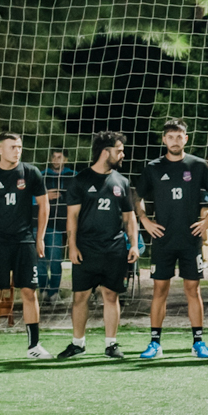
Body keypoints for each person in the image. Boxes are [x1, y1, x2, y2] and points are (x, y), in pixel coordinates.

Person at [134, 119, 208, 360]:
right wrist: (145, 220)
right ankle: (155, 343)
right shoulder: (153, 167)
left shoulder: (198, 165)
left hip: (191, 238)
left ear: (186, 139)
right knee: (160, 289)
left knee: (193, 289)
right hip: (163, 239)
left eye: (179, 136)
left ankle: (198, 342)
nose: (174, 141)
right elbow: (136, 196)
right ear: (164, 139)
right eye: (170, 137)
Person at [0, 132, 52, 360]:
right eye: (12, 147)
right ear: (0, 149)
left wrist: (39, 237)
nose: (17, 151)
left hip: (24, 241)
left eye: (19, 147)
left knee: (29, 291)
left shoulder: (31, 173)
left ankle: (34, 346)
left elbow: (44, 205)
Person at [59, 130, 137, 360]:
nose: (123, 155)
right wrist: (72, 246)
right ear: (105, 152)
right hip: (86, 248)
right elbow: (72, 217)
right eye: (119, 150)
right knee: (80, 297)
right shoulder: (80, 180)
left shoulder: (122, 182)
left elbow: (129, 217)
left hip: (114, 248)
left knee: (111, 295)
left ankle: (111, 344)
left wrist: (133, 244)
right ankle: (78, 344)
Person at [40, 149, 75, 303]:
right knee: (40, 259)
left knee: (55, 259)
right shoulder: (42, 175)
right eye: (53, 157)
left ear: (65, 160)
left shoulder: (73, 176)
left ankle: (54, 291)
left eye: (59, 157)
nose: (56, 160)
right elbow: (31, 196)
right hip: (40, 222)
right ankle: (43, 290)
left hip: (59, 223)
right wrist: (45, 197)